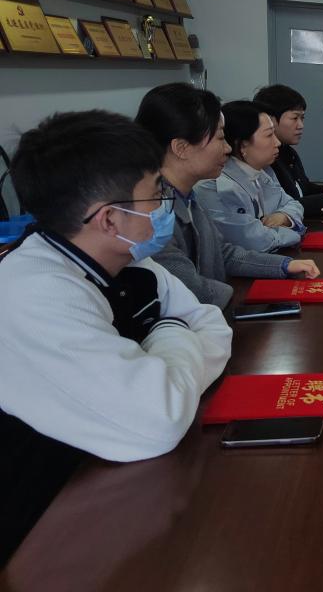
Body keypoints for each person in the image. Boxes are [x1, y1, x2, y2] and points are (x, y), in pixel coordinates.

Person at [0, 111, 232, 564]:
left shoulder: (132, 261)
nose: (164, 205)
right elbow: (158, 421)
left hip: (119, 475)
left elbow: (212, 324)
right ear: (110, 219)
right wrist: (170, 330)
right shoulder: (33, 292)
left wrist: (163, 370)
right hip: (43, 528)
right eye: (155, 194)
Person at [137, 84, 320, 309]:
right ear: (181, 148)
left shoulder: (186, 196)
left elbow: (222, 253)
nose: (227, 149)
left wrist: (284, 265)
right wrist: (242, 301)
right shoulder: (152, 212)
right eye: (220, 138)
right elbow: (192, 292)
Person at [195, 100, 306, 252]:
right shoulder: (216, 185)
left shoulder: (263, 171)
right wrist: (295, 232)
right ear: (242, 145)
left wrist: (284, 217)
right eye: (269, 135)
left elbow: (293, 204)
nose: (277, 142)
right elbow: (256, 242)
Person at [253, 84, 323, 218]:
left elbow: (302, 187)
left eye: (302, 118)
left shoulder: (288, 152)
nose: (301, 125)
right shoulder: (265, 158)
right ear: (270, 120)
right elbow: (281, 207)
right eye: (295, 118)